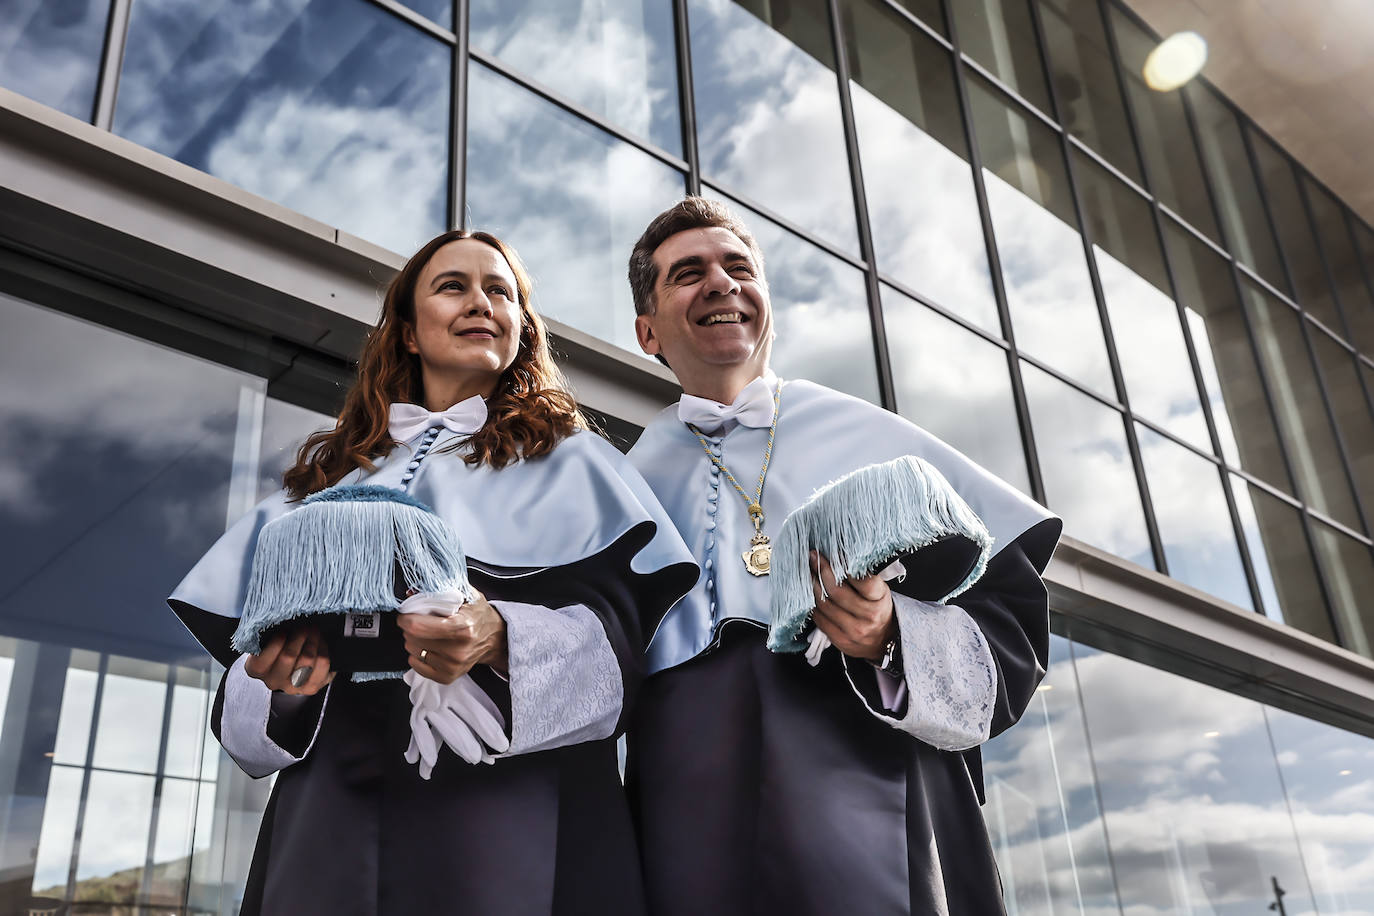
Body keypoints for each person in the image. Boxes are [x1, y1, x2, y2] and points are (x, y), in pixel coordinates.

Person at [169, 229, 697, 915]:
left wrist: (497, 633)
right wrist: (285, 683)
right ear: (410, 333)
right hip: (331, 821)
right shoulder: (321, 488)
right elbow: (246, 721)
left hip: (512, 826)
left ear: (519, 328)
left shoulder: (581, 464)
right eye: (454, 286)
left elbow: (618, 664)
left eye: (499, 291)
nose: (481, 301)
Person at [624, 197, 1063, 915]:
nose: (721, 283)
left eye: (739, 267)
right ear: (649, 331)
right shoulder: (623, 486)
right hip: (685, 823)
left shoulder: (876, 437)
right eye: (688, 273)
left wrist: (894, 635)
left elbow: (1010, 627)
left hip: (874, 801)